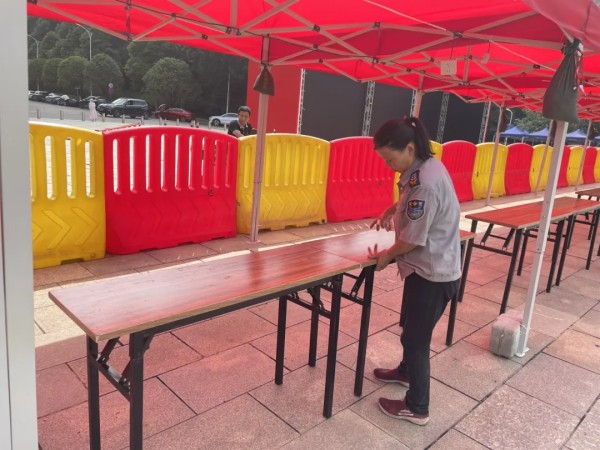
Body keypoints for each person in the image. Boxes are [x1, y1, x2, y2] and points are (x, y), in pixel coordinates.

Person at [367, 116, 461, 426]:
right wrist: (390, 209)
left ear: (409, 148)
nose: (389, 166)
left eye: (390, 159)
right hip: (425, 269)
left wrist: (386, 256)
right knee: (410, 329)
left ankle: (418, 407)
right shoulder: (424, 167)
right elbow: (409, 202)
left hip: (433, 274)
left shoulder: (426, 184)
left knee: (416, 341)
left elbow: (411, 239)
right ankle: (406, 373)